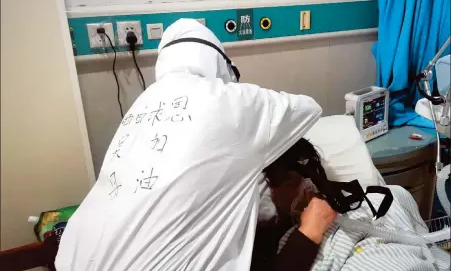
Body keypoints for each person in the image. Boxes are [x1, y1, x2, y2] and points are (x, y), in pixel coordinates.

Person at [56, 19, 324, 271]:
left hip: (73, 255)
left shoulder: (144, 101)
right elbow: (310, 108)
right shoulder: (229, 99)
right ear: (221, 63)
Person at [251, 138, 337, 271]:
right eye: (292, 182)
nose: (309, 189)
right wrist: (309, 233)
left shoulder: (341, 206)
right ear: (270, 188)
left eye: (313, 176)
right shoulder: (255, 245)